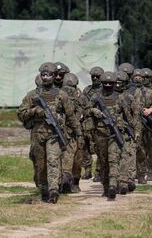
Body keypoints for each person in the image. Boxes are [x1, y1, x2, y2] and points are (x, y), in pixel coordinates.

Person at [17, 62, 81, 203]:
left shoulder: (61, 95)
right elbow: (21, 113)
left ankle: (54, 190)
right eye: (43, 75)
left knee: (53, 161)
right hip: (37, 135)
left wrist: (78, 133)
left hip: (54, 135)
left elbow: (70, 115)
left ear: (53, 77)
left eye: (49, 75)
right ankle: (44, 189)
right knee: (40, 164)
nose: (46, 78)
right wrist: (35, 111)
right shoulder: (32, 95)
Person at [83, 71, 129, 200]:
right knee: (103, 162)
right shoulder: (96, 97)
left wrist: (131, 131)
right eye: (105, 83)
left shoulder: (120, 98)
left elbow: (128, 116)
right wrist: (94, 110)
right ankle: (106, 186)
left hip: (115, 134)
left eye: (111, 83)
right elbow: (86, 110)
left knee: (113, 159)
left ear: (115, 84)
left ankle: (113, 185)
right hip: (100, 134)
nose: (108, 85)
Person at [59, 72, 85, 193]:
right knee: (70, 157)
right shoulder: (60, 94)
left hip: (74, 130)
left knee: (74, 158)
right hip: (69, 130)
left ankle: (72, 182)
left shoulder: (80, 96)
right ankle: (68, 182)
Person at [115, 71, 141, 194]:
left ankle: (128, 179)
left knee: (129, 153)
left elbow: (135, 115)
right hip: (112, 130)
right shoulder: (109, 95)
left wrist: (136, 130)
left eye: (121, 83)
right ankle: (115, 180)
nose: (118, 85)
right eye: (117, 82)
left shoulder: (130, 96)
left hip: (127, 129)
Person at [80, 66, 104, 181]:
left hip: (100, 123)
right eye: (93, 76)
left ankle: (99, 172)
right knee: (85, 148)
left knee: (99, 148)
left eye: (97, 76)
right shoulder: (87, 90)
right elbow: (83, 105)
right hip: (87, 123)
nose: (95, 78)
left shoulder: (106, 90)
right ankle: (88, 170)